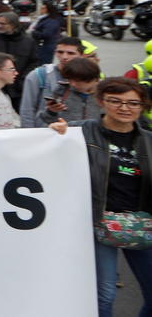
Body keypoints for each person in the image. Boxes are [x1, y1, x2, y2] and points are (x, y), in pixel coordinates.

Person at [48, 78, 152, 317]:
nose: (125, 108)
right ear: (101, 101)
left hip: (141, 223)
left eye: (133, 103)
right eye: (115, 101)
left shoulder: (149, 140)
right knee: (104, 296)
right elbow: (47, 158)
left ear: (142, 106)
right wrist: (55, 136)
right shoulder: (78, 131)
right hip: (95, 223)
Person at [20, 36, 84, 127]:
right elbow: (27, 110)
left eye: (71, 53)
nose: (64, 57)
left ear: (81, 55)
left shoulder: (88, 78)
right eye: (60, 52)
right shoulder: (38, 75)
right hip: (45, 133)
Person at [24, 56, 103, 128]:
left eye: (78, 81)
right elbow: (47, 120)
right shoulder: (62, 90)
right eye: (69, 79)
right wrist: (51, 111)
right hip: (67, 137)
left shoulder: (105, 94)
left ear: (95, 79)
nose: (73, 84)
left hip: (97, 139)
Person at [0, 11, 39, 110]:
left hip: (19, 88)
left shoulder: (28, 42)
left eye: (3, 24)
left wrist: (23, 79)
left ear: (13, 25)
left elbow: (34, 62)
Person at [34, 0, 66, 65]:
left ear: (48, 10)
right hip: (44, 45)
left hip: (47, 46)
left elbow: (46, 34)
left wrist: (34, 33)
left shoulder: (51, 21)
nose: (41, 10)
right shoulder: (44, 19)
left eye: (43, 8)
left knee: (44, 64)